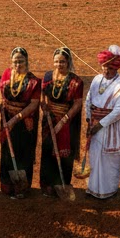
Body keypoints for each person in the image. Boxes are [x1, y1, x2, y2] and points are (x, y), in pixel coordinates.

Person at [83, 44, 120, 200]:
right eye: (104, 67)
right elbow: (88, 99)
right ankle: (92, 189)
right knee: (95, 156)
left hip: (109, 128)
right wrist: (89, 119)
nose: (106, 70)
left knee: (108, 160)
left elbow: (118, 112)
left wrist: (99, 125)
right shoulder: (97, 79)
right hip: (94, 124)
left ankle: (108, 191)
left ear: (116, 68)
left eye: (110, 68)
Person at [39, 47, 85, 197]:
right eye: (57, 61)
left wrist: (64, 120)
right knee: (48, 151)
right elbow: (43, 95)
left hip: (68, 123)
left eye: (63, 62)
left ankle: (62, 183)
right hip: (49, 121)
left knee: (64, 154)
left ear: (68, 62)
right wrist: (44, 106)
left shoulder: (76, 81)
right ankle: (47, 185)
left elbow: (78, 103)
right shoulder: (47, 77)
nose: (59, 64)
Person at [0, 47, 40, 197]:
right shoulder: (7, 74)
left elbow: (34, 104)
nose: (17, 64)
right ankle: (7, 184)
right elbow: (0, 92)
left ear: (26, 61)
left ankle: (22, 187)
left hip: (24, 123)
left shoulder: (33, 81)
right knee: (7, 152)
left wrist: (15, 119)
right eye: (15, 61)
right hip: (6, 119)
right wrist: (1, 104)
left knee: (23, 153)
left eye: (21, 61)